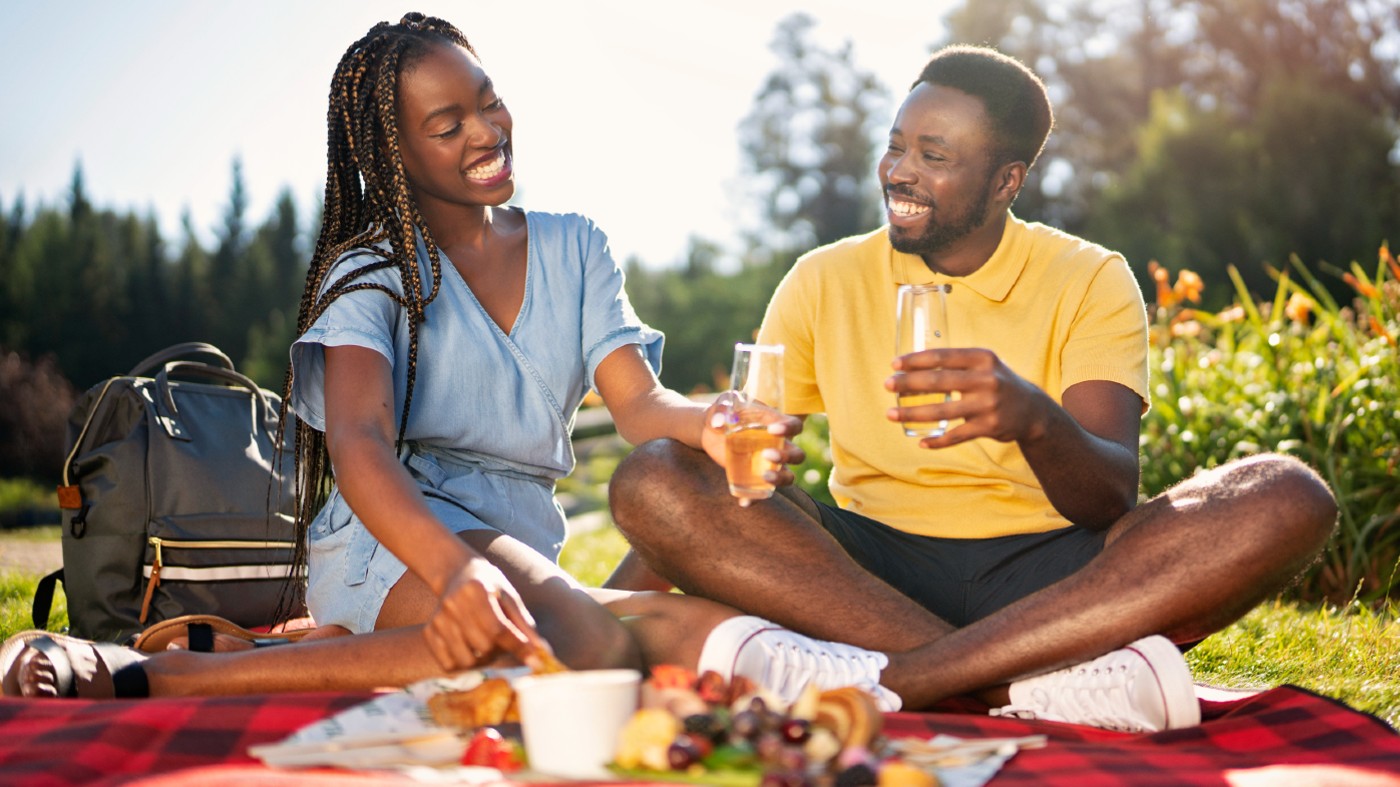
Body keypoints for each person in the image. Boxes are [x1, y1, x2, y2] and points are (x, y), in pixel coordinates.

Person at [0, 13, 896, 708]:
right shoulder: (375, 270)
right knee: (591, 644)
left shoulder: (575, 246)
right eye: (446, 122)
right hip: (400, 536)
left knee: (645, 600)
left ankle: (293, 652)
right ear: (397, 151)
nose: (485, 129)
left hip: (524, 542)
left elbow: (640, 406)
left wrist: (713, 420)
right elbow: (357, 440)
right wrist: (457, 569)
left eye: (487, 98)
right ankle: (165, 678)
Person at [604, 44, 1339, 732]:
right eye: (896, 145)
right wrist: (601, 604)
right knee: (653, 474)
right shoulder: (823, 277)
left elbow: (1109, 498)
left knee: (1287, 493)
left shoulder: (1089, 276)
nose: (900, 171)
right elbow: (724, 471)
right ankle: (1019, 685)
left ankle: (900, 679)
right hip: (863, 576)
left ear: (1005, 181)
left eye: (935, 156)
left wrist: (1033, 420)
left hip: (1052, 575)